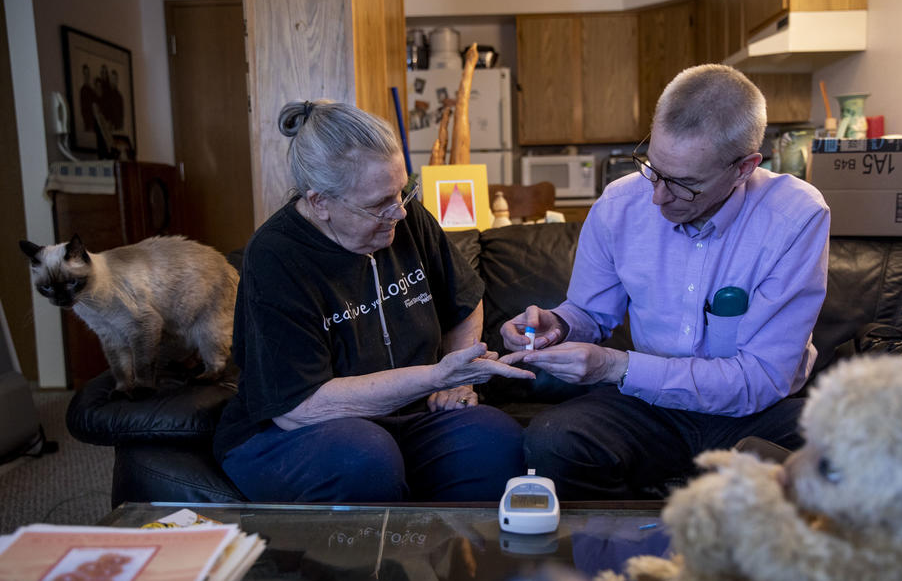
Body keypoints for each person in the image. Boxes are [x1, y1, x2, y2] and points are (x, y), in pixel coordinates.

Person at [499, 64, 830, 500]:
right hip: (649, 406)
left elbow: (759, 379)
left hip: (756, 410)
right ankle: (619, 562)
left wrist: (617, 366)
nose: (657, 197)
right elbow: (590, 313)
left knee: (850, 459)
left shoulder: (796, 217)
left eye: (686, 184)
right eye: (653, 169)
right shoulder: (621, 203)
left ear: (744, 168)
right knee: (552, 442)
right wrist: (558, 325)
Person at [215, 99, 534, 502]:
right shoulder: (276, 256)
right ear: (320, 203)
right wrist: (437, 376)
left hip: (408, 416)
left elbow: (465, 300)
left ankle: (462, 563)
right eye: (378, 204)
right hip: (299, 432)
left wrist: (459, 378)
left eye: (402, 191)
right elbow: (299, 407)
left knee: (496, 441)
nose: (398, 212)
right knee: (365, 457)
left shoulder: (406, 217)